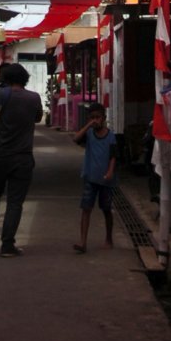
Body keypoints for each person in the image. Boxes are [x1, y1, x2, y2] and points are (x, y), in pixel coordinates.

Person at [0, 62, 42, 257]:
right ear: (25, 79)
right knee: (15, 202)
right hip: (22, 157)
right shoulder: (34, 98)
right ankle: (7, 245)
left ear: (6, 79)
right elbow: (38, 118)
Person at [72, 103, 117, 253]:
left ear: (103, 118)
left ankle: (109, 238)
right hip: (90, 177)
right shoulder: (89, 134)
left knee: (106, 209)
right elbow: (76, 138)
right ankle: (83, 242)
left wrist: (110, 172)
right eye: (92, 118)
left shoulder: (110, 136)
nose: (95, 120)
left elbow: (113, 157)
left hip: (105, 180)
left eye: (97, 117)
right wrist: (87, 126)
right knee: (86, 208)